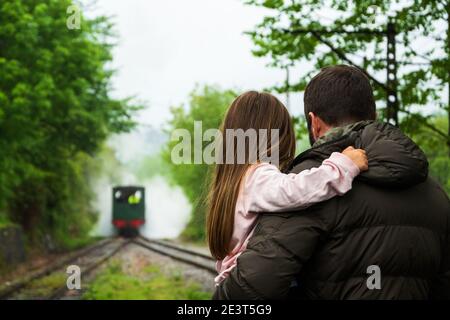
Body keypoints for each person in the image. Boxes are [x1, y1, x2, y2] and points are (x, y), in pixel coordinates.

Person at [213, 65, 450, 300]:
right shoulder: (435, 193)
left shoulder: (314, 184)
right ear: (372, 117)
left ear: (314, 123)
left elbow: (252, 290)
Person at [207, 91, 368, 286]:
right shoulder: (257, 176)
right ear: (277, 136)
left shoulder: (234, 180)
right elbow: (296, 190)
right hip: (259, 282)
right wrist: (343, 166)